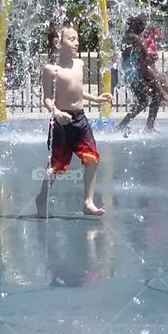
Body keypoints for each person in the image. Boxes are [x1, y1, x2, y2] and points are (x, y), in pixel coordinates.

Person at [35, 24, 112, 217]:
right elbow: (46, 98)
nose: (77, 42)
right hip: (61, 122)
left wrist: (95, 98)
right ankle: (42, 198)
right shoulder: (50, 70)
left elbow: (78, 91)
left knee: (92, 158)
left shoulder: (79, 64)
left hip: (80, 119)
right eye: (72, 39)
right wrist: (56, 112)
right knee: (56, 165)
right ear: (57, 43)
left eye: (77, 39)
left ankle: (88, 202)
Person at [115, 16, 164, 131]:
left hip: (136, 72)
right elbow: (144, 56)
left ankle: (148, 126)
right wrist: (150, 57)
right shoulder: (133, 37)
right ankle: (123, 126)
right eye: (143, 25)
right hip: (132, 74)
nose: (144, 27)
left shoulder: (131, 36)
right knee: (144, 100)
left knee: (155, 96)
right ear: (138, 25)